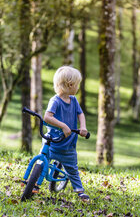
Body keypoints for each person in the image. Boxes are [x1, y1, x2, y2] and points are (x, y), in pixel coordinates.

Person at [44, 66, 90, 202]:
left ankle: (80, 191)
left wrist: (83, 127)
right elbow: (47, 117)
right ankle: (34, 184)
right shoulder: (55, 101)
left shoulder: (74, 100)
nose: (78, 87)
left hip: (69, 144)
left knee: (72, 169)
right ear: (70, 85)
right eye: (77, 84)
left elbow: (80, 114)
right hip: (53, 141)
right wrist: (63, 126)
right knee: (43, 162)